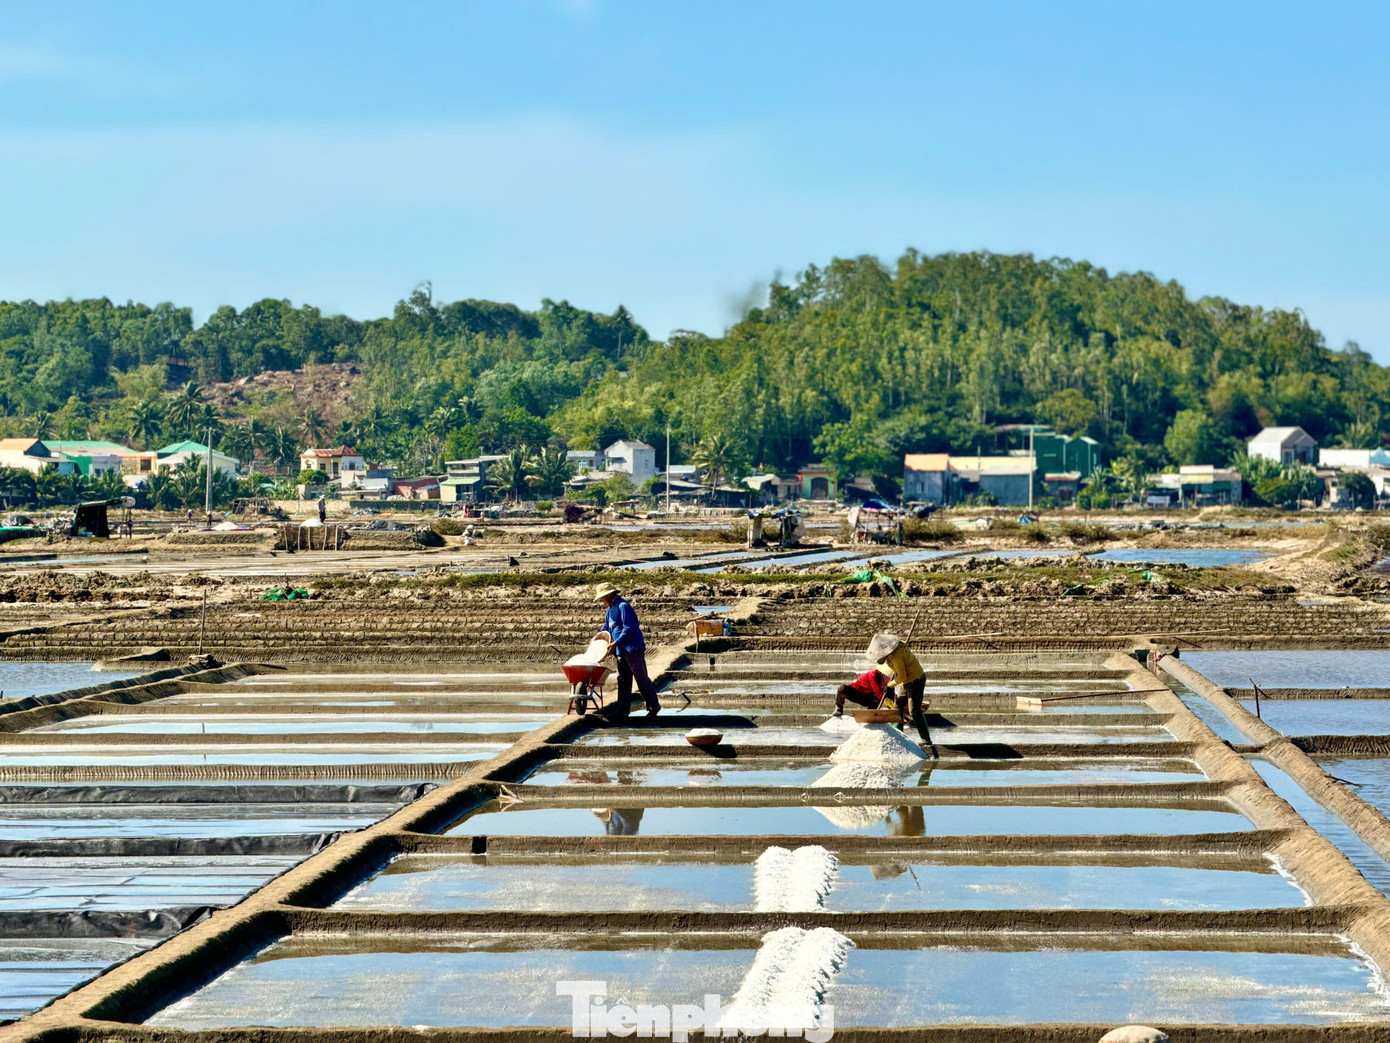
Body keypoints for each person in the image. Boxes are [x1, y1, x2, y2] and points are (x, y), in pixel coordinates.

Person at [593, 582, 661, 717]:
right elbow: (607, 627)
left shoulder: (623, 606)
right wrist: (597, 637)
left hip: (632, 648)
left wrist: (616, 642)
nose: (601, 600)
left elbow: (630, 627)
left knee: (640, 677)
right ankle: (623, 710)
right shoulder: (610, 609)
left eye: (602, 597)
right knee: (623, 679)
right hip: (620, 650)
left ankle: (654, 706)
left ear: (609, 595)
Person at [866, 632, 930, 743]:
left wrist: (890, 685)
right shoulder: (893, 653)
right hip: (905, 681)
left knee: (914, 710)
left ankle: (926, 739)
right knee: (897, 708)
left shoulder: (896, 656)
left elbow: (902, 676)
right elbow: (901, 675)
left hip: (916, 680)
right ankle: (897, 738)